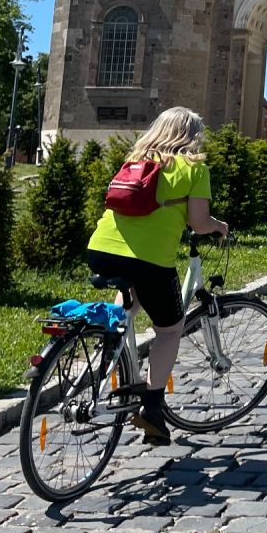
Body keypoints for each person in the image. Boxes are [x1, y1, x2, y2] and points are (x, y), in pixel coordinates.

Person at [85, 106, 229, 444]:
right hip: (148, 260)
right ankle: (152, 407)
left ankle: (111, 353)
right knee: (169, 330)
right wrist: (219, 227)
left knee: (128, 304)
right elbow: (198, 222)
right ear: (192, 136)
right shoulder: (194, 167)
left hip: (101, 249)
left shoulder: (135, 160)